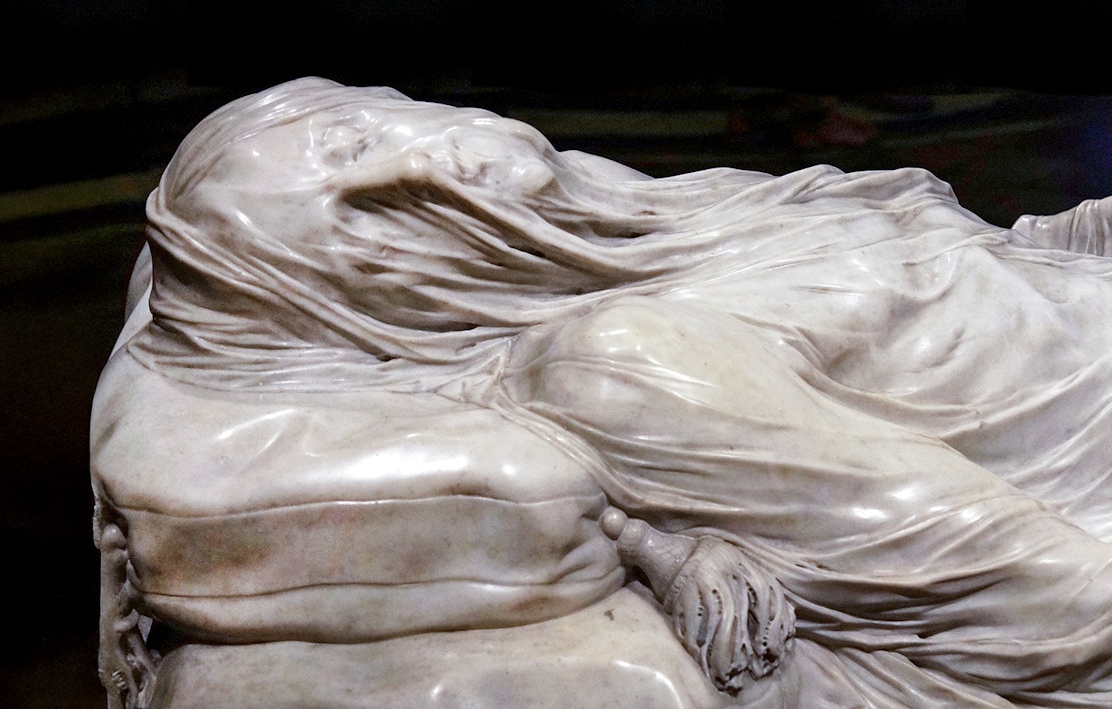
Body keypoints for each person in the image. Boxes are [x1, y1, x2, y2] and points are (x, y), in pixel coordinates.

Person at [95, 78, 1112, 708]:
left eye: (357, 129)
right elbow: (1048, 592)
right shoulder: (627, 361)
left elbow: (991, 271)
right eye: (358, 203)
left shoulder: (616, 226)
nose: (415, 155)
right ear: (369, 299)